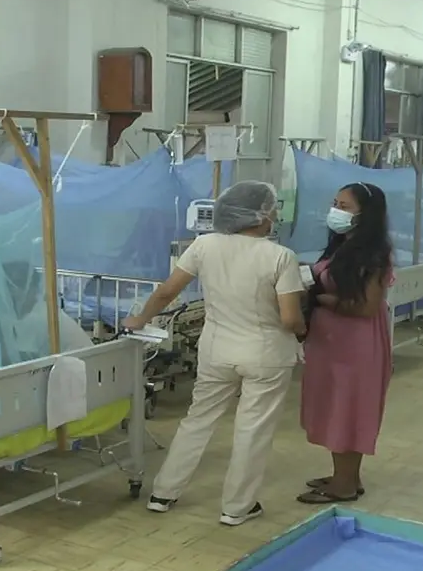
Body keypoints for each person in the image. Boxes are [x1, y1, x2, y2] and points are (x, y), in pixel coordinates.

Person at [122, 180, 305, 526]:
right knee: (252, 429)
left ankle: (164, 493)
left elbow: (165, 293)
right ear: (261, 215)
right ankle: (237, 507)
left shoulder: (203, 245)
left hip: (217, 350)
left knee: (197, 419)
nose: (275, 215)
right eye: (273, 209)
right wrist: (304, 332)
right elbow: (290, 318)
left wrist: (140, 319)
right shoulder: (281, 257)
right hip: (265, 355)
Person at [297, 181, 394, 504]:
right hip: (331, 342)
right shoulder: (341, 246)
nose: (335, 211)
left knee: (348, 409)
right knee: (335, 406)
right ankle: (347, 476)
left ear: (365, 215)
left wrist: (321, 299)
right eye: (334, 203)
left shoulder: (374, 255)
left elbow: (366, 307)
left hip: (354, 345)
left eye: (344, 206)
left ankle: (344, 486)